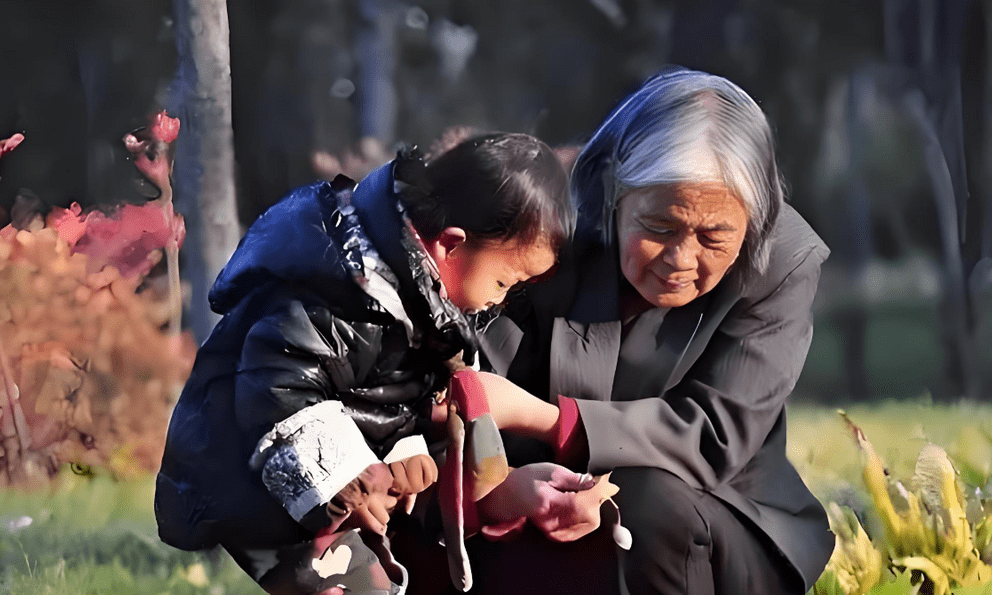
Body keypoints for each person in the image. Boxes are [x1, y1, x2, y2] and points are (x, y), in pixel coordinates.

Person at [154, 132, 600, 595]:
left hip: (318, 490)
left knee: (374, 582)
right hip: (256, 478)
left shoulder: (420, 304)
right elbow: (278, 385)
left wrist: (404, 449)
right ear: (450, 245)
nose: (500, 300)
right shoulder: (344, 295)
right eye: (505, 280)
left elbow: (385, 394)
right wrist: (356, 474)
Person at [465, 67, 836, 594]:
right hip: (532, 494)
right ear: (615, 191)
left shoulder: (784, 262)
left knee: (643, 501)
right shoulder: (544, 229)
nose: (681, 260)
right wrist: (510, 487)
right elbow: (472, 383)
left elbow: (714, 436)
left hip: (713, 518)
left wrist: (550, 421)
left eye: (715, 237)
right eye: (659, 228)